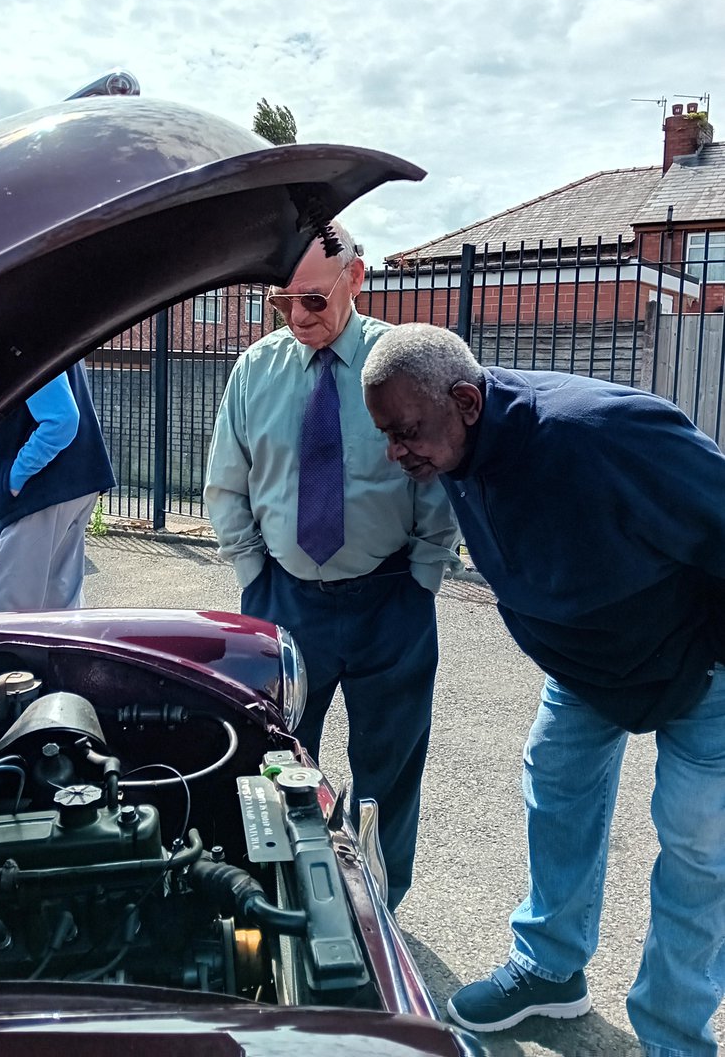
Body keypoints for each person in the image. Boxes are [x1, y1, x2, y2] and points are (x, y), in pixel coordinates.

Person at [360, 321, 725, 1057]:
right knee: (555, 785)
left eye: (406, 432)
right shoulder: (458, 441)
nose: (396, 452)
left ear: (465, 400)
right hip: (587, 672)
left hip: (700, 663)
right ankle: (552, 969)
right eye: (386, 434)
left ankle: (674, 1039)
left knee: (696, 845)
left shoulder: (600, 432)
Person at [204, 226, 461, 911]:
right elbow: (227, 486)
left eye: (313, 300)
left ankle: (378, 908)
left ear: (359, 277)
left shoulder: (400, 364)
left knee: (388, 771)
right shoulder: (255, 372)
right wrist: (257, 578)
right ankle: (291, 904)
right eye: (280, 301)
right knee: (279, 764)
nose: (297, 318)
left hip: (390, 598)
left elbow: (442, 474)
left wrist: (424, 576)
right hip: (287, 599)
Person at [0, 361, 115, 612]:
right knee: (59, 606)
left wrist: (17, 474)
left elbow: (62, 420)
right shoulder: (50, 326)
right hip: (77, 477)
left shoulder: (20, 332)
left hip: (43, 488)